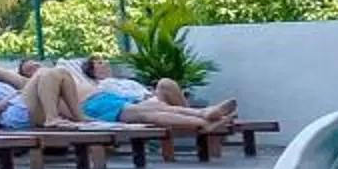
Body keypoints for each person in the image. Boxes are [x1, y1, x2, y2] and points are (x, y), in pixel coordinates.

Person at [78, 57, 239, 130]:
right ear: (93, 71)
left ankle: (204, 117)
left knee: (164, 90)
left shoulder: (124, 81)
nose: (105, 62)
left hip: (130, 101)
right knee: (153, 110)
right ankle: (203, 119)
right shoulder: (101, 85)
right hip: (124, 103)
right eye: (99, 62)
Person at [0, 54, 99, 130]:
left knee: (62, 73)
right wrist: (10, 98)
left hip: (25, 107)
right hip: (14, 115)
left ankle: (79, 116)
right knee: (44, 72)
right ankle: (51, 118)